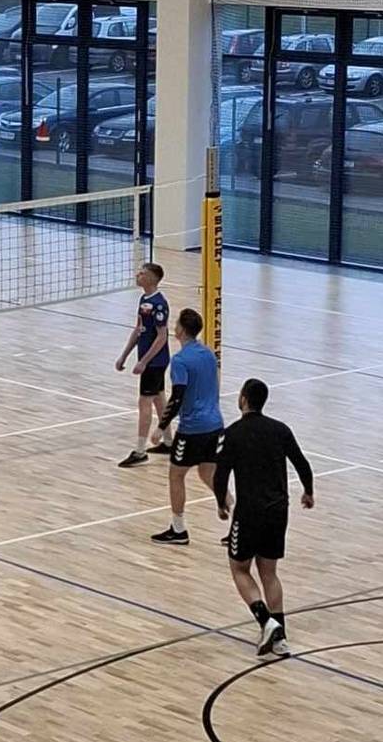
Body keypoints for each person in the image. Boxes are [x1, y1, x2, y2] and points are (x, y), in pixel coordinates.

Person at [212, 378, 315, 658]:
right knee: (269, 572)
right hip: (278, 510)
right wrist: (308, 492)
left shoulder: (232, 434)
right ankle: (280, 639)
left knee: (239, 568)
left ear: (243, 399)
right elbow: (302, 463)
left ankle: (266, 622)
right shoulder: (280, 430)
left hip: (249, 512)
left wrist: (221, 503)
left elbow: (220, 475)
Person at [150, 308, 223, 546]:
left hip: (193, 427)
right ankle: (237, 516)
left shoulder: (180, 360)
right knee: (207, 473)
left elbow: (177, 396)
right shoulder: (209, 354)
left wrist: (161, 427)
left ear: (180, 329)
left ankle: (178, 529)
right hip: (216, 424)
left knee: (176, 474)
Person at [115, 261, 172, 467]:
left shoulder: (159, 303)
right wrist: (124, 355)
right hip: (149, 360)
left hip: (156, 361)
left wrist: (144, 361)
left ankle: (140, 452)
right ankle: (169, 442)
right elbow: (138, 329)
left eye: (142, 273)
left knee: (144, 402)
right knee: (159, 400)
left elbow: (162, 337)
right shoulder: (143, 300)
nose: (137, 275)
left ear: (151, 278)